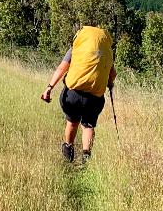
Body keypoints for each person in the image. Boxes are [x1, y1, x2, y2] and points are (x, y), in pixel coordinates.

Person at [41, 25, 115, 163]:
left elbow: (62, 68)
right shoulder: (107, 52)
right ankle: (86, 157)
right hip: (94, 97)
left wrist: (49, 88)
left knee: (72, 122)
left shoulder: (76, 48)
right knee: (88, 126)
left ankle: (68, 150)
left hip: (73, 94)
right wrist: (110, 84)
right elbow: (112, 74)